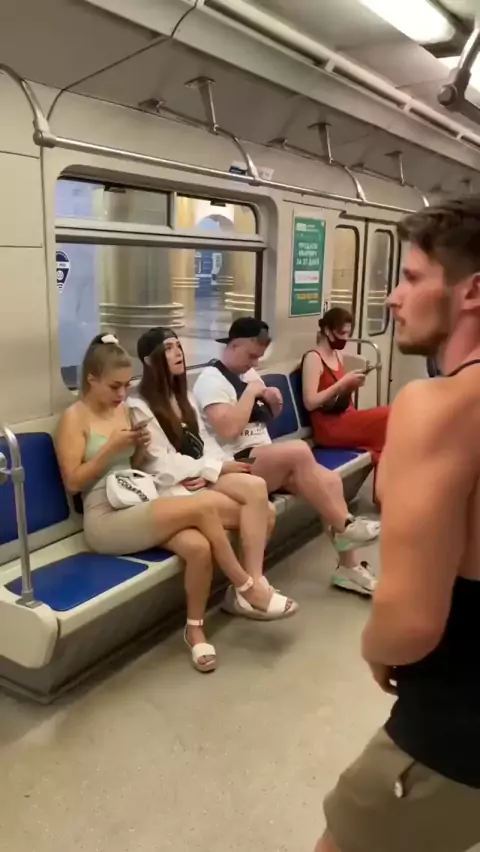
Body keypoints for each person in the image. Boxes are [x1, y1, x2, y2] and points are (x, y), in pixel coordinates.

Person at [315, 196, 480, 852]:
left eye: (412, 278)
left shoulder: (439, 404)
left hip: (457, 723)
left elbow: (410, 623)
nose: (392, 297)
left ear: (472, 292)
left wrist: (377, 645)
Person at [55, 334, 298, 676]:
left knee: (198, 548)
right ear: (91, 380)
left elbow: (136, 464)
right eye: (114, 387)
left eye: (126, 385)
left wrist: (137, 448)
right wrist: (111, 448)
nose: (122, 394)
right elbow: (73, 482)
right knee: (203, 507)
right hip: (104, 515)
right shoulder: (74, 418)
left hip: (137, 496)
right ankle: (246, 586)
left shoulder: (121, 410)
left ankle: (195, 630)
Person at [193, 317, 380, 597]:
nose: (255, 363)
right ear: (234, 345)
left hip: (264, 457)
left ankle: (348, 567)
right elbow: (229, 430)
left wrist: (273, 399)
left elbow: (268, 416)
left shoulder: (247, 374)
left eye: (259, 357)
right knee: (299, 450)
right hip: (236, 464)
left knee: (330, 481)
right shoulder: (211, 380)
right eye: (251, 356)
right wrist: (253, 392)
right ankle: (345, 526)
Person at [126, 326, 295, 617]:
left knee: (255, 487)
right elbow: (159, 462)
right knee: (265, 512)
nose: (178, 352)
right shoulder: (138, 406)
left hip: (200, 476)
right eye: (168, 348)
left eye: (178, 346)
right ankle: (250, 590)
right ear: (150, 361)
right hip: (174, 486)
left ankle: (253, 584)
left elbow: (206, 443)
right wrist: (214, 468)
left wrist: (218, 467)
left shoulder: (186, 398)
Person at [302, 308, 389, 466]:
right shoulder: (313, 358)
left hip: (346, 415)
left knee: (389, 424)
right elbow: (310, 402)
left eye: (348, 334)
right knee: (388, 416)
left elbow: (337, 394)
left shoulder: (337, 355)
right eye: (342, 333)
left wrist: (350, 385)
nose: (345, 338)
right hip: (329, 426)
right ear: (327, 331)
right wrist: (342, 383)